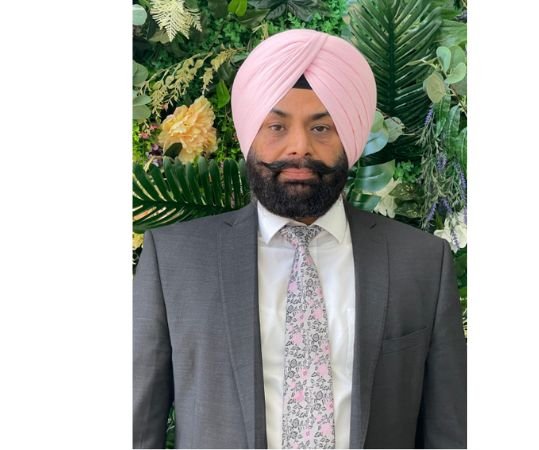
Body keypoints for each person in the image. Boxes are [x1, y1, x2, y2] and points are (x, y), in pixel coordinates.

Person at [133, 29, 466, 449]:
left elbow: (451, 433)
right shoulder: (175, 260)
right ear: (249, 134)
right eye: (276, 126)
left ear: (350, 137)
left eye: (322, 127)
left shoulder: (420, 261)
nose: (299, 148)